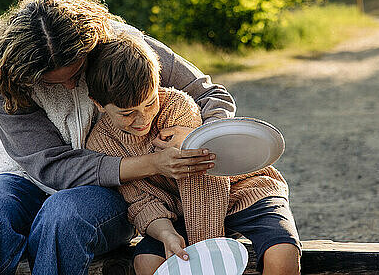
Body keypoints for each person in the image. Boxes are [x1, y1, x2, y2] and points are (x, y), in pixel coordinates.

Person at [0, 0, 236, 275]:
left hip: (109, 189)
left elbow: (210, 95)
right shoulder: (5, 80)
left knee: (62, 217)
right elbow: (53, 167)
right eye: (52, 83)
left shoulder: (124, 47)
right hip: (22, 178)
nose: (72, 87)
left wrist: (196, 135)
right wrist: (152, 163)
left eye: (76, 73)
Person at [85, 34, 301, 275]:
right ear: (98, 104)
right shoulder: (100, 143)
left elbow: (205, 183)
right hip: (181, 212)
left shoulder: (178, 107)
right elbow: (139, 200)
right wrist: (166, 232)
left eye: (149, 103)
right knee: (147, 262)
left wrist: (206, 255)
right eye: (127, 113)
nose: (143, 118)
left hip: (243, 190)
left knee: (281, 254)